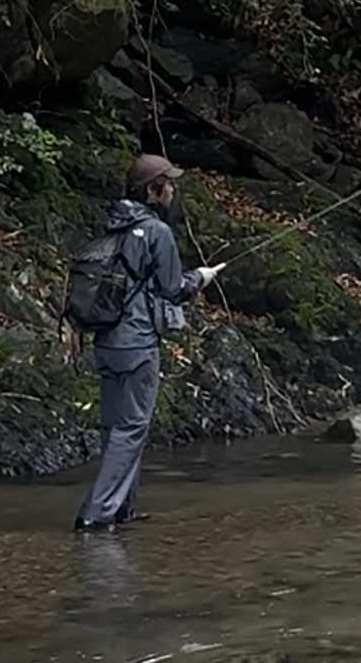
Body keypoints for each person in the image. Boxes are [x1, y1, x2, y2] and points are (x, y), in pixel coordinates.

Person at [74, 154, 221, 533]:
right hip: (137, 344)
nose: (173, 190)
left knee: (114, 428)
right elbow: (173, 289)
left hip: (105, 342)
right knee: (131, 429)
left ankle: (121, 509)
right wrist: (202, 277)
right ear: (154, 192)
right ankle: (96, 515)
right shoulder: (156, 232)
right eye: (168, 184)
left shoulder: (115, 223)